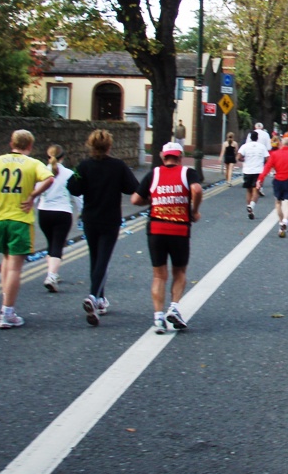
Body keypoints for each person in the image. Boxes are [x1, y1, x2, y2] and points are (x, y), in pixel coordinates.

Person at [0, 129, 55, 329]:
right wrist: (32, 195)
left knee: (5, 259)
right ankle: (8, 312)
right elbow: (49, 179)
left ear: (11, 143)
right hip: (20, 219)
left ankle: (5, 305)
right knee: (15, 266)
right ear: (30, 146)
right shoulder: (33, 163)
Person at [67, 129, 139, 326]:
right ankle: (93, 296)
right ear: (109, 146)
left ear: (90, 146)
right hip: (110, 219)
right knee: (103, 260)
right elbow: (133, 187)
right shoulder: (118, 166)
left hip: (90, 218)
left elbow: (72, 186)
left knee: (95, 258)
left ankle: (99, 299)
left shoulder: (83, 166)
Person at [131, 142, 203, 333]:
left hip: (156, 229)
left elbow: (135, 200)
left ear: (163, 157)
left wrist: (152, 200)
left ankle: (158, 318)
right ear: (180, 158)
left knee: (158, 276)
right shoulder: (187, 173)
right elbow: (196, 190)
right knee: (179, 273)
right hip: (179, 229)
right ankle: (174, 308)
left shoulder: (153, 174)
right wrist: (194, 211)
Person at [37, 144, 83, 293]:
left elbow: (35, 192)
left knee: (51, 244)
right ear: (63, 157)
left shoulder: (41, 171)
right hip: (62, 213)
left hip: (44, 212)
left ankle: (53, 273)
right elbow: (77, 195)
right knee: (58, 244)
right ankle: (51, 276)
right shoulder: (69, 173)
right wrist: (81, 212)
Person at [237, 130, 270, 219]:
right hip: (258, 171)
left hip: (247, 170)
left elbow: (239, 157)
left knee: (248, 190)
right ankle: (251, 206)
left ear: (250, 137)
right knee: (256, 190)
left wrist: (244, 160)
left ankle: (249, 207)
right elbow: (268, 158)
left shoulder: (245, 146)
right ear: (257, 138)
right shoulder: (262, 147)